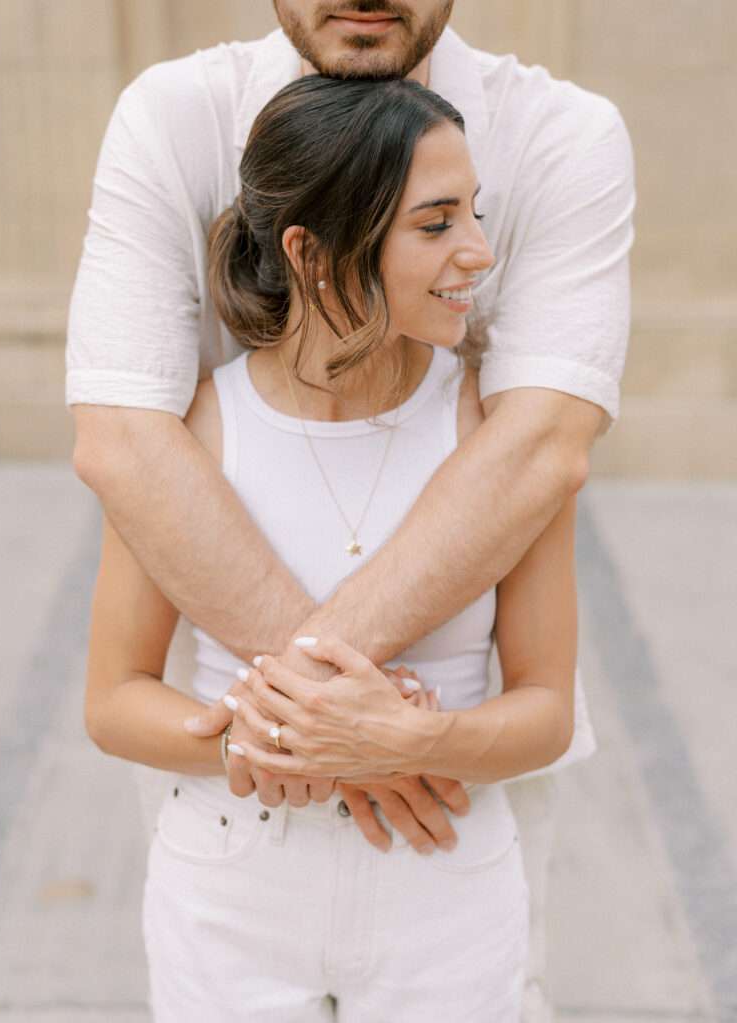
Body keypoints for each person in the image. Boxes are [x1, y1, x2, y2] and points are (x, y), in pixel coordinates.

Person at [68, 3, 634, 1018]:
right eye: (436, 223)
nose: (477, 254)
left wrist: (396, 741)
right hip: (233, 861)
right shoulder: (171, 122)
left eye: (478, 215)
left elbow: (539, 460)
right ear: (312, 249)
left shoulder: (565, 137)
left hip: (445, 853)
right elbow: (126, 462)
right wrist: (320, 732)